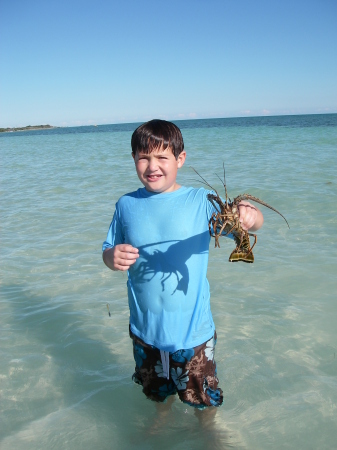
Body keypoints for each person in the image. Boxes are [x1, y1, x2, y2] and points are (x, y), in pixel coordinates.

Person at [102, 119, 263, 409]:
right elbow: (107, 249)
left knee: (202, 399)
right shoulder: (125, 205)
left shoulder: (202, 201)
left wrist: (250, 217)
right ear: (134, 159)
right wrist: (111, 258)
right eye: (144, 158)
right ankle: (160, 420)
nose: (153, 166)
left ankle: (207, 430)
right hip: (145, 333)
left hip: (194, 335)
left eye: (162, 157)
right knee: (156, 393)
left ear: (180, 159)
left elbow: (250, 224)